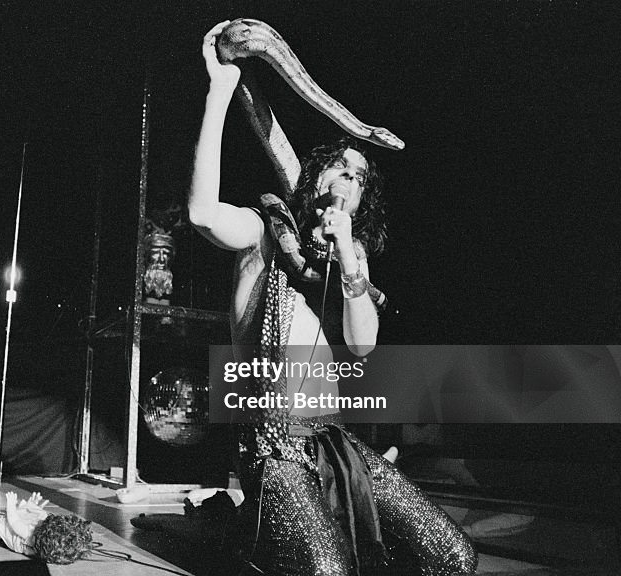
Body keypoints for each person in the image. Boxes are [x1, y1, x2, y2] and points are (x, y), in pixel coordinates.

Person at [189, 20, 477, 575]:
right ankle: (235, 528)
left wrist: (348, 255)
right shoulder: (265, 231)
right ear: (316, 175)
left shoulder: (349, 264)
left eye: (360, 176)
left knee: (454, 557)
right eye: (339, 168)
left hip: (331, 443)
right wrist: (222, 89)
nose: (349, 180)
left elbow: (362, 344)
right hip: (272, 448)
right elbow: (202, 214)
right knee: (327, 570)